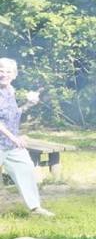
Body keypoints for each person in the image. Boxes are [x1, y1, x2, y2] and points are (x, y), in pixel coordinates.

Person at [0, 58, 53, 217]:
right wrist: (14, 138)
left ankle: (35, 208)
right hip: (7, 141)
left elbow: (13, 114)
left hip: (10, 143)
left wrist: (28, 106)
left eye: (8, 71)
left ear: (14, 75)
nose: (4, 74)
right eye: (1, 70)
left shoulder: (10, 90)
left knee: (26, 168)